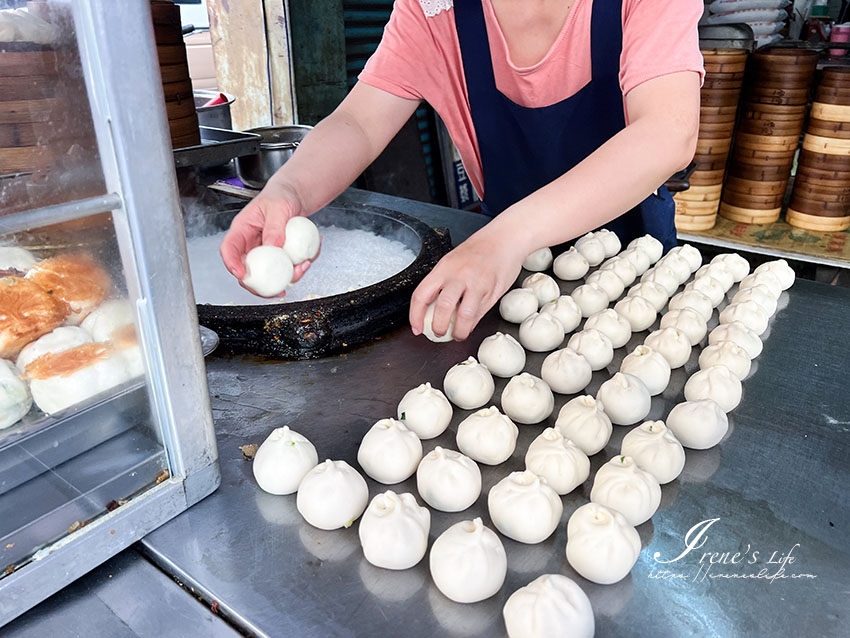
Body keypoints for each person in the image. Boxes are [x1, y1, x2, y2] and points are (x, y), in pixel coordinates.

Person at [221, 0, 703, 342]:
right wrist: (287, 191)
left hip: (637, 269)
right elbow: (360, 122)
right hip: (503, 281)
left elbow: (667, 131)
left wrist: (503, 238)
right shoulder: (435, 9)